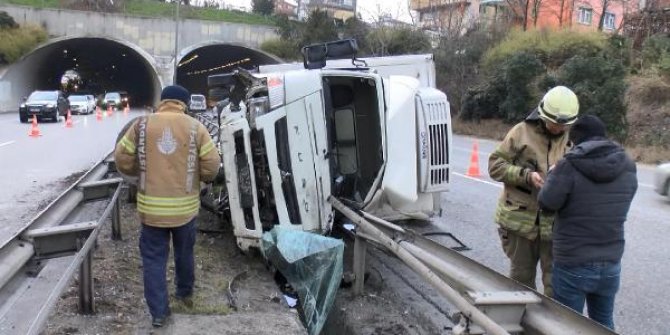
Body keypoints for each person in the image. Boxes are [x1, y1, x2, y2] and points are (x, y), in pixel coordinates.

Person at [114, 85, 221, 328]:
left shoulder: (141, 125)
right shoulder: (195, 127)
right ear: (183, 103)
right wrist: (199, 179)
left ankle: (159, 313)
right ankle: (184, 292)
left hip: (151, 210)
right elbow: (213, 164)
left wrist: (137, 172)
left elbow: (121, 157)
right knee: (184, 253)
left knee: (153, 260)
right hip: (185, 209)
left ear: (163, 102)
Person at [538, 115, 637, 329]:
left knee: (568, 326)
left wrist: (553, 175)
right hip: (611, 262)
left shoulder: (568, 165)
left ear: (575, 141)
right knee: (603, 323)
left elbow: (547, 203)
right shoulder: (628, 165)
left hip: (573, 261)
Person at [488, 86, 579, 297]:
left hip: (554, 226)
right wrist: (525, 175)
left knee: (556, 286)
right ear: (542, 115)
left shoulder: (572, 139)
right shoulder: (521, 132)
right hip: (519, 223)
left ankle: (548, 329)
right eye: (554, 124)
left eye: (563, 125)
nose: (558, 129)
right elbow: (495, 166)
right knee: (521, 283)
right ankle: (520, 327)